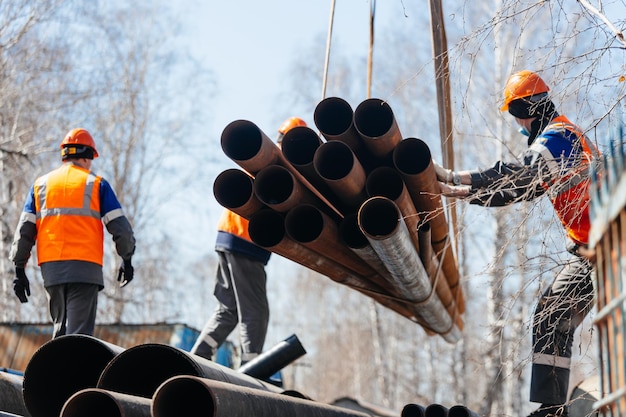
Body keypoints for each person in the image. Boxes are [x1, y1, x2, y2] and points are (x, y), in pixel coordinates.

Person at [435, 70, 600, 417]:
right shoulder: (560, 138)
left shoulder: (559, 138)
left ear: (529, 108)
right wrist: (467, 191)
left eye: (516, 114)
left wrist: (455, 179)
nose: (518, 125)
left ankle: (553, 406)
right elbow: (520, 187)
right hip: (588, 248)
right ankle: (552, 407)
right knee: (551, 314)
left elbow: (519, 177)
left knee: (556, 313)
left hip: (607, 244)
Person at [191, 116, 307, 365]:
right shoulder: (280, 167)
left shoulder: (263, 156)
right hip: (247, 240)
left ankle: (198, 355)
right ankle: (250, 366)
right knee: (256, 311)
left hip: (227, 234)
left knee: (229, 308)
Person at [9, 127, 136, 339]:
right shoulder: (96, 184)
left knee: (60, 332)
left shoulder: (41, 185)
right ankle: (74, 371)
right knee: (79, 337)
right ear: (87, 157)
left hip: (52, 269)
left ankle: (54, 371)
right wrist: (127, 258)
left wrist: (18, 269)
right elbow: (120, 228)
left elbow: (24, 232)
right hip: (85, 267)